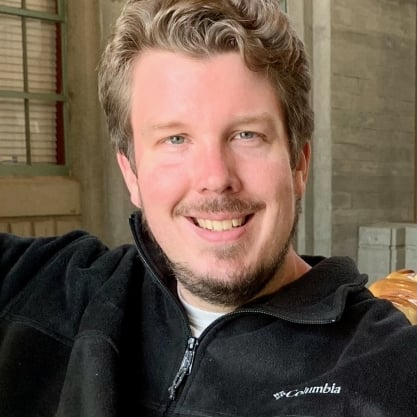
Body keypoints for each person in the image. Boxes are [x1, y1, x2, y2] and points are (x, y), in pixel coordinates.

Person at [0, 0, 416, 416]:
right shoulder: (49, 289)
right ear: (131, 174)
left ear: (299, 164)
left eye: (247, 135)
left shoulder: (390, 371)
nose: (216, 178)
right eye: (175, 139)